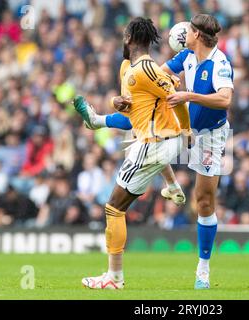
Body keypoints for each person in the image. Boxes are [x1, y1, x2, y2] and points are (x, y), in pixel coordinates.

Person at [75, 17, 191, 290]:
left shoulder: (146, 70)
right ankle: (172, 186)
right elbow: (134, 117)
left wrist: (187, 131)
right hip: (157, 141)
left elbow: (175, 96)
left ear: (128, 38)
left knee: (113, 207)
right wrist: (119, 103)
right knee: (138, 138)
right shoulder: (130, 69)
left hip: (158, 142)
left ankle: (114, 278)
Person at [162, 14, 234, 289]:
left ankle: (203, 267)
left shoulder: (220, 63)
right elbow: (159, 72)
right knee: (146, 144)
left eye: (189, 30)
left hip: (210, 137)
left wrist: (187, 95)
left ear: (198, 36)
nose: (184, 34)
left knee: (203, 200)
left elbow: (225, 98)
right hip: (185, 128)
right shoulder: (186, 56)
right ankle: (171, 185)